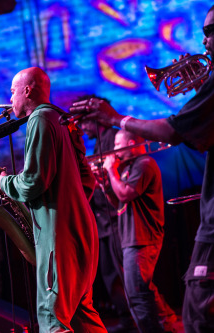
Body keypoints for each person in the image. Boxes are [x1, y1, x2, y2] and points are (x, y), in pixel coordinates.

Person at [69, 7, 214, 331]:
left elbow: (174, 132)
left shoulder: (144, 163)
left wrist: (113, 124)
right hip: (125, 232)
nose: (204, 42)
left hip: (143, 237)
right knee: (138, 294)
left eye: (211, 31)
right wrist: (105, 178)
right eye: (203, 32)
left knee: (188, 306)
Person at [0, 67, 106, 332]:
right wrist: (67, 204)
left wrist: (3, 182)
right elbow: (88, 180)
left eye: (13, 92)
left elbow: (33, 182)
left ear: (27, 91)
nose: (10, 99)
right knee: (82, 316)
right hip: (81, 230)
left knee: (52, 318)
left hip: (59, 237)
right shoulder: (62, 119)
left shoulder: (39, 119)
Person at [100, 130, 176, 332]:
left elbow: (126, 194)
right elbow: (118, 202)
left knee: (137, 294)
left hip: (142, 237)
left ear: (131, 143)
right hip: (132, 237)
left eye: (118, 144)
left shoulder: (144, 164)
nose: (114, 149)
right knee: (142, 291)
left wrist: (111, 171)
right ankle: (167, 323)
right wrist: (106, 185)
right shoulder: (130, 167)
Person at [77, 102, 135, 333]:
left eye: (84, 122)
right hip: (103, 220)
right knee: (112, 276)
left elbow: (121, 172)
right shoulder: (99, 143)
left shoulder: (113, 139)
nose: (82, 127)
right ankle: (127, 320)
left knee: (123, 274)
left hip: (116, 217)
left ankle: (135, 321)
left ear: (95, 119)